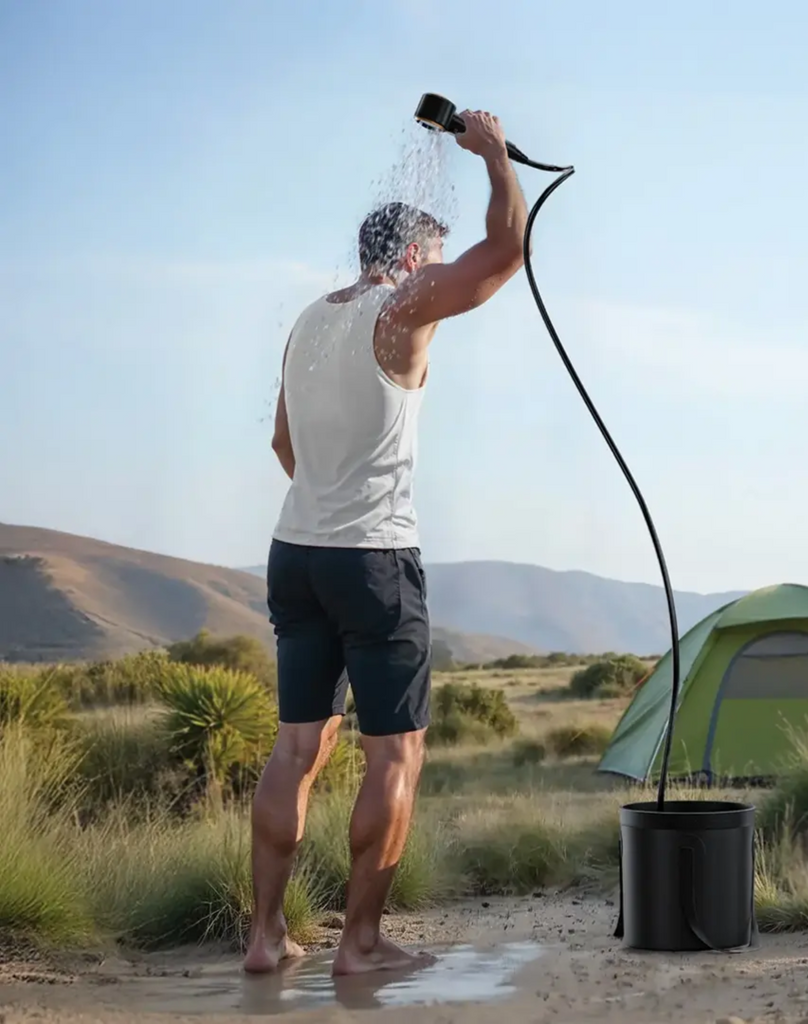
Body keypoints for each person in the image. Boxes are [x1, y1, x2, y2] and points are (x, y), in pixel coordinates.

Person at [244, 110, 529, 976]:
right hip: (374, 561)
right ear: (409, 258)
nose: (437, 277)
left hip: (295, 553)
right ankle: (360, 946)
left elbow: (283, 447)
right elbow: (506, 252)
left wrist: (327, 498)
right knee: (393, 751)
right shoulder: (402, 304)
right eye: (432, 259)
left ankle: (264, 939)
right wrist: (493, 159)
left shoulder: (308, 319)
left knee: (297, 749)